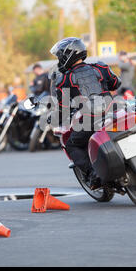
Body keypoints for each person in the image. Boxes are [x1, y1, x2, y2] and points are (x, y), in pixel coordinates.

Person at [50, 37, 121, 190]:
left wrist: (54, 118)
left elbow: (64, 108)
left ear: (67, 55)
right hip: (113, 112)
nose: (59, 60)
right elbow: (116, 83)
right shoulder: (101, 68)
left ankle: (93, 175)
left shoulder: (65, 80)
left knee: (72, 145)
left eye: (60, 56)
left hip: (92, 119)